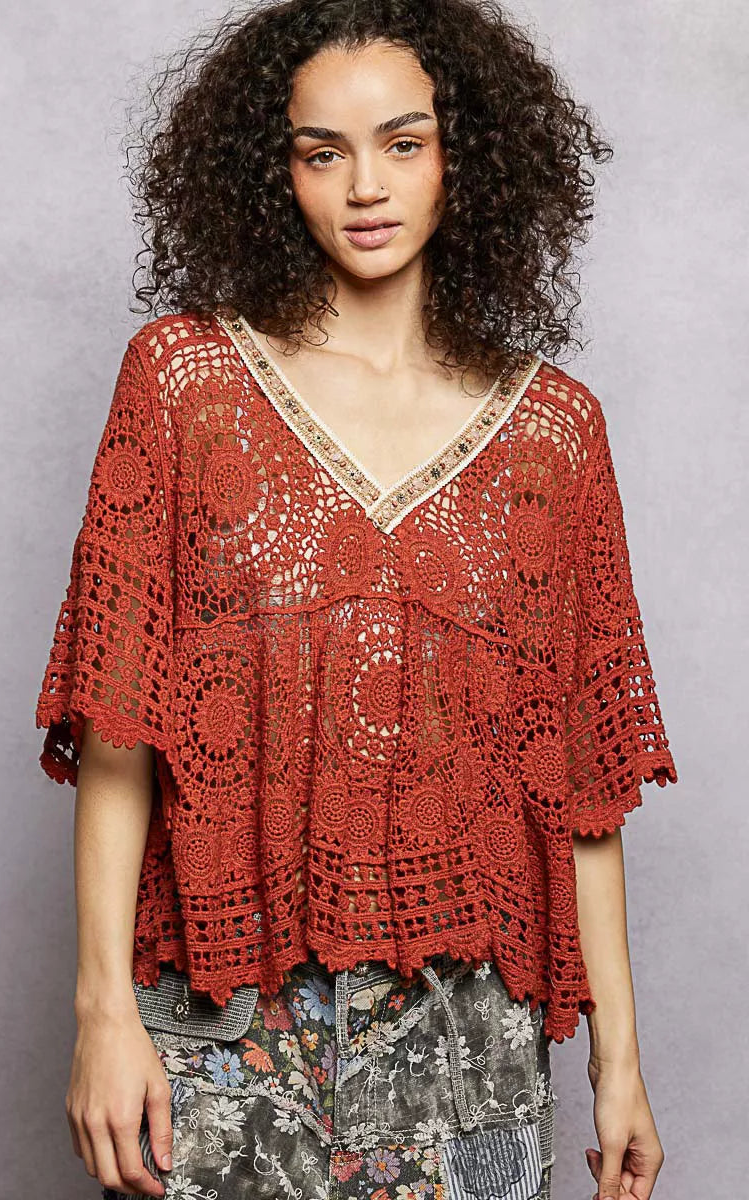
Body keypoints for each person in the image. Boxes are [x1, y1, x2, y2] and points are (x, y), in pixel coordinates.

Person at [34, 2, 679, 1199]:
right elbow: (119, 733)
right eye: (320, 152)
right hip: (224, 1033)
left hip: (471, 1047)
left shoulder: (552, 434)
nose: (364, 187)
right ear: (271, 173)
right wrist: (101, 1012)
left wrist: (617, 1065)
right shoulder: (184, 385)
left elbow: (579, 785)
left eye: (402, 143)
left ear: (463, 155)